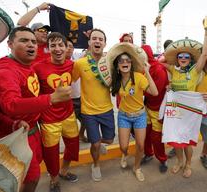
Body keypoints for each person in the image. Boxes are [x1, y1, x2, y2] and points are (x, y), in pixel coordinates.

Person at [0, 26, 71, 192]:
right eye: (24, 41)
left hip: (31, 130)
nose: (31, 45)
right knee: (30, 178)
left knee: (28, 172)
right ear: (10, 44)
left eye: (33, 41)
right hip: (14, 137)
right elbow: (11, 105)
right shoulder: (7, 70)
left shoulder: (28, 65)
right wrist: (51, 99)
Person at [162, 16, 207, 178]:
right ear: (177, 59)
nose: (183, 59)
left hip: (190, 114)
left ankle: (188, 164)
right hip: (176, 113)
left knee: (187, 142)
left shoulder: (194, 71)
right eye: (180, 57)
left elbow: (204, 55)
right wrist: (169, 87)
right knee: (176, 141)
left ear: (191, 59)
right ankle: (179, 162)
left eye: (186, 57)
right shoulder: (173, 70)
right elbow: (155, 62)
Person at [32, 32, 79, 192]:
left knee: (73, 146)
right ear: (48, 48)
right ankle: (54, 179)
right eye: (53, 45)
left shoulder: (73, 65)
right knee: (51, 153)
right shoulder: (37, 67)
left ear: (67, 48)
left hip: (69, 115)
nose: (57, 49)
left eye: (61, 45)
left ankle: (64, 171)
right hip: (49, 119)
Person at [109, 42, 158, 181]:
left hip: (139, 116)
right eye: (121, 61)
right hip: (124, 116)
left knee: (141, 146)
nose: (125, 62)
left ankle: (137, 168)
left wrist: (146, 71)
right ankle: (124, 155)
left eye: (127, 60)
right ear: (117, 65)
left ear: (131, 63)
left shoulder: (138, 77)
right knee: (123, 146)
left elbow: (154, 92)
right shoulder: (116, 80)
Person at [72, 29, 115, 182]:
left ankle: (99, 144)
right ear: (89, 42)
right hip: (88, 112)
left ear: (104, 44)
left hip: (107, 110)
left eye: (100, 39)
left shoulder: (110, 63)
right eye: (94, 38)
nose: (97, 41)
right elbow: (69, 81)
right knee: (95, 144)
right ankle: (95, 165)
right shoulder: (80, 63)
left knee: (109, 140)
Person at [140, 44, 169, 173]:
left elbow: (155, 91)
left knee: (156, 137)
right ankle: (148, 153)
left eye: (141, 53)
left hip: (158, 109)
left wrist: (140, 91)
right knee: (145, 133)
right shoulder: (142, 68)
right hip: (147, 107)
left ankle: (162, 159)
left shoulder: (158, 69)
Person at [66, 38, 87, 143]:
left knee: (85, 120)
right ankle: (71, 141)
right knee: (69, 125)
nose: (69, 48)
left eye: (71, 46)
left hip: (79, 97)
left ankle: (81, 135)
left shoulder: (77, 57)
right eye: (67, 46)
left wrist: (89, 37)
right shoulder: (59, 61)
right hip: (66, 100)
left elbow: (88, 51)